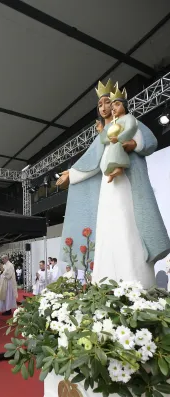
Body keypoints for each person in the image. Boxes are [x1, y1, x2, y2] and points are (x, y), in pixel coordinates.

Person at [57, 79, 170, 288]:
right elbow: (91, 161)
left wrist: (134, 144)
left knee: (128, 227)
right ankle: (106, 280)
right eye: (100, 105)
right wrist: (70, 174)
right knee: (107, 230)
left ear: (116, 103)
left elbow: (151, 141)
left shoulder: (128, 121)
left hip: (127, 185)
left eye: (107, 102)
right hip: (107, 190)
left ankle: (137, 282)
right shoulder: (104, 134)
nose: (103, 107)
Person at [99, 83, 137, 183]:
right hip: (114, 147)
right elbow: (105, 140)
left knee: (116, 147)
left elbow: (131, 128)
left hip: (121, 146)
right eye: (112, 107)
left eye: (117, 105)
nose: (113, 109)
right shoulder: (113, 123)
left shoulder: (128, 118)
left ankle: (119, 169)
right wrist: (101, 131)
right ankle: (114, 170)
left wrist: (119, 138)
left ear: (124, 105)